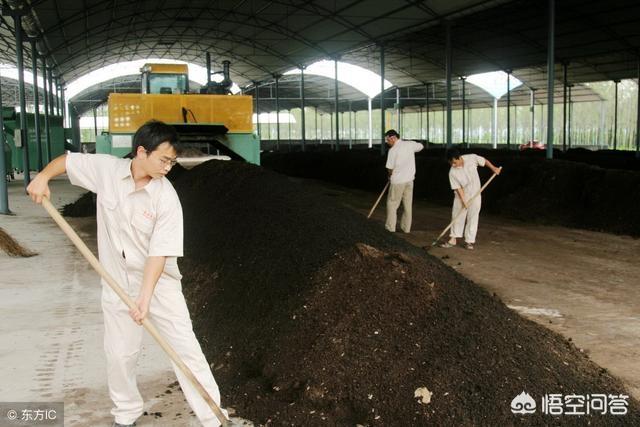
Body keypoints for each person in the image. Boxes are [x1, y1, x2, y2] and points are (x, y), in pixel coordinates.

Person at [27, 121, 227, 427]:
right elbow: (68, 160)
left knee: (185, 350)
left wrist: (144, 298)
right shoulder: (107, 171)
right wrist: (42, 177)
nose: (168, 167)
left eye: (173, 162)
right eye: (164, 160)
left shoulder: (166, 198)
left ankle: (214, 419)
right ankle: (126, 415)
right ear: (141, 152)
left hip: (159, 286)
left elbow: (157, 255)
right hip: (116, 281)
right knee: (120, 356)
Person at [440, 148, 501, 250]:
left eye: (454, 162)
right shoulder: (452, 172)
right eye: (451, 163)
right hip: (461, 196)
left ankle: (469, 241)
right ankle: (453, 239)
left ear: (459, 158)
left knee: (473, 217)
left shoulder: (471, 158)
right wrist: (464, 201)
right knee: (457, 216)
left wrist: (494, 168)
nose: (453, 165)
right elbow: (458, 189)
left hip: (476, 194)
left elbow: (484, 161)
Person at [384, 129, 424, 233]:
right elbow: (421, 146)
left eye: (387, 140)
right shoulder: (410, 144)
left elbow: (390, 168)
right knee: (407, 205)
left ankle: (390, 228)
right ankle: (406, 228)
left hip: (397, 182)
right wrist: (409, 142)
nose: (387, 142)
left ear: (393, 138)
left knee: (392, 204)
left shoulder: (393, 150)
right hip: (409, 181)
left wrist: (389, 176)